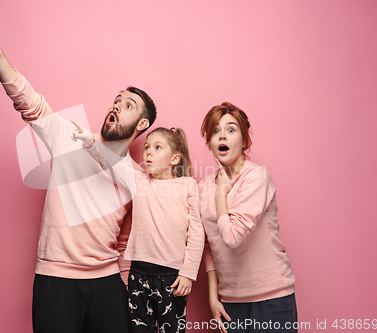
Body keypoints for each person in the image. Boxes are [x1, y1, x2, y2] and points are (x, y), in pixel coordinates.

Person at [0, 13, 157, 333]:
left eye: (127, 105)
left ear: (141, 125)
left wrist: (124, 288)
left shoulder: (135, 177)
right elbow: (30, 104)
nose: (116, 106)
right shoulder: (70, 136)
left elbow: (128, 241)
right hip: (55, 281)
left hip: (108, 284)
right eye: (116, 101)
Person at [72, 124, 205, 333]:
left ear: (175, 159)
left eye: (158, 147)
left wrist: (188, 274)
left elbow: (197, 233)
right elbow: (112, 163)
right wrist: (90, 144)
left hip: (171, 278)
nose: (149, 151)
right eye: (147, 147)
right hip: (138, 275)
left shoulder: (188, 185)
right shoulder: (139, 181)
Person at [198, 102, 297, 333]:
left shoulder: (256, 177)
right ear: (210, 144)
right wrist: (214, 296)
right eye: (215, 131)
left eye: (231, 130)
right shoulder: (203, 187)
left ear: (244, 142)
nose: (222, 135)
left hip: (272, 299)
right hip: (231, 303)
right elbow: (210, 245)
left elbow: (232, 237)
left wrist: (221, 193)